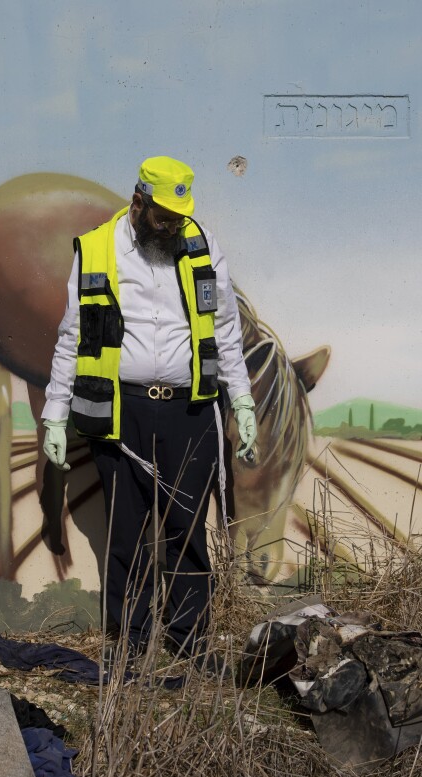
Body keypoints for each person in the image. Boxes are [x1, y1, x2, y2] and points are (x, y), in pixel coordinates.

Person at [40, 156, 257, 670]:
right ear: (138, 202)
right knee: (127, 533)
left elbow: (225, 329)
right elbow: (72, 335)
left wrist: (242, 399)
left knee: (187, 531)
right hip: (123, 412)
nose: (171, 227)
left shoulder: (201, 245)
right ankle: (130, 647)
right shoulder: (97, 248)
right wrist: (54, 412)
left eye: (178, 218)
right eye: (162, 217)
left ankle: (190, 644)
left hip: (192, 412)